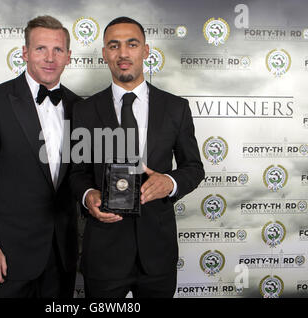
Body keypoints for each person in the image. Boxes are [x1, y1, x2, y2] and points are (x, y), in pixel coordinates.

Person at [69, 17, 205, 298]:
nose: (123, 53)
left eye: (132, 44)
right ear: (105, 54)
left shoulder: (176, 108)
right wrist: (88, 195)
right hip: (104, 255)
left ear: (145, 50)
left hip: (157, 252)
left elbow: (193, 167)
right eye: (114, 45)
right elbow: (76, 173)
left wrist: (170, 182)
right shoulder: (84, 111)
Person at [0, 15, 81, 298]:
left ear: (68, 56)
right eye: (40, 49)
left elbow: (79, 176)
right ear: (25, 52)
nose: (49, 58)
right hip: (7, 256)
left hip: (62, 256)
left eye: (58, 50)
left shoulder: (79, 107)